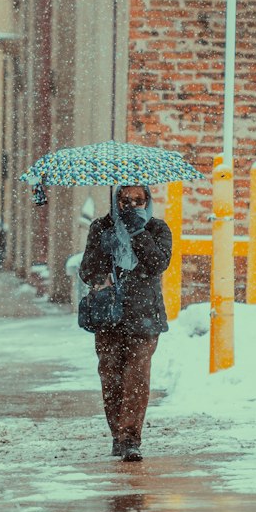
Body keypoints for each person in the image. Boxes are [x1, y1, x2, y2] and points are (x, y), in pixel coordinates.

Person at [78, 184, 173, 462]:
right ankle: (117, 435)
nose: (130, 205)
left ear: (147, 202)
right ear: (115, 200)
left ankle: (130, 439)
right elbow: (87, 270)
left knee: (137, 377)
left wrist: (136, 232)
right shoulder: (101, 227)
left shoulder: (157, 229)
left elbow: (157, 263)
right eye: (124, 200)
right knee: (111, 378)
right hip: (109, 316)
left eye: (138, 200)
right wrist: (104, 252)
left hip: (144, 316)